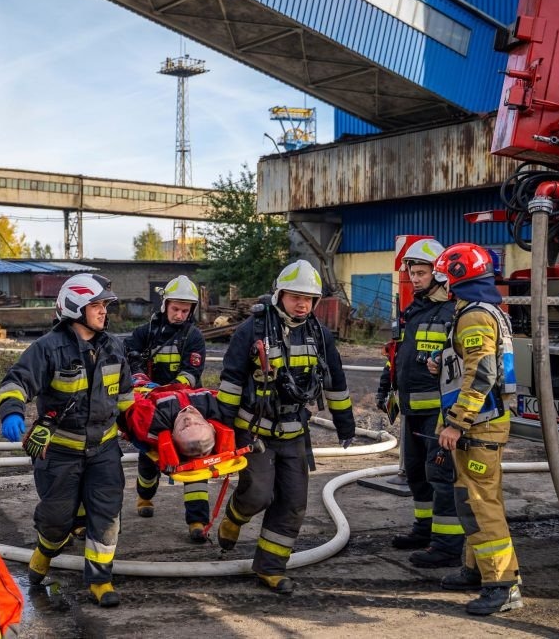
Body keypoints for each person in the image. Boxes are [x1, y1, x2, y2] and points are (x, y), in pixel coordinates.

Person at [215, 259, 356, 594]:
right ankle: (235, 516)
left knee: (293, 503)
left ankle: (270, 568)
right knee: (260, 494)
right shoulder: (252, 330)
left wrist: (345, 424)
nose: (302, 304)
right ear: (280, 295)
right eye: (295, 296)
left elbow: (335, 382)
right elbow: (232, 381)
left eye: (309, 298)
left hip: (294, 433)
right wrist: (224, 431)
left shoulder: (320, 336)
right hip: (254, 432)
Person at [0, 273, 133, 608]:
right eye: (96, 305)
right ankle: (46, 549)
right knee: (58, 519)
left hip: (103, 450)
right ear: (75, 307)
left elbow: (127, 397)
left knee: (107, 514)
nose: (104, 312)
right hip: (59, 453)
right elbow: (16, 381)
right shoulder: (48, 348)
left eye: (104, 305)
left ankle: (100, 581)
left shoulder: (114, 347)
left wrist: (144, 431)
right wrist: (12, 411)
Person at [432, 243, 523, 615]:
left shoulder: (473, 317)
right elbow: (479, 364)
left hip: (478, 426)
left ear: (456, 276)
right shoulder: (485, 310)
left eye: (442, 276)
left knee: (482, 506)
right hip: (482, 424)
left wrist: (457, 422)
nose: (440, 283)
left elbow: (483, 374)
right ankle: (476, 570)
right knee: (471, 500)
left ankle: (503, 586)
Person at [375, 238, 464, 568]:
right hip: (410, 409)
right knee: (415, 474)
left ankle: (447, 546)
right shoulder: (413, 311)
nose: (414, 276)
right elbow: (396, 356)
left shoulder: (452, 313)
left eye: (421, 271)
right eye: (411, 270)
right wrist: (385, 388)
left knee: (440, 476)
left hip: (438, 414)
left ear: (439, 274)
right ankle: (424, 530)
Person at [123, 275, 209, 541]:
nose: (180, 315)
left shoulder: (193, 337)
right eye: (176, 309)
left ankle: (197, 522)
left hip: (183, 406)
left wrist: (168, 392)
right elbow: (128, 360)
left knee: (195, 457)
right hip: (150, 408)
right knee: (149, 456)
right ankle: (145, 496)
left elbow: (192, 373)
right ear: (165, 305)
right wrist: (139, 380)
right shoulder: (145, 332)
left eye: (186, 310)